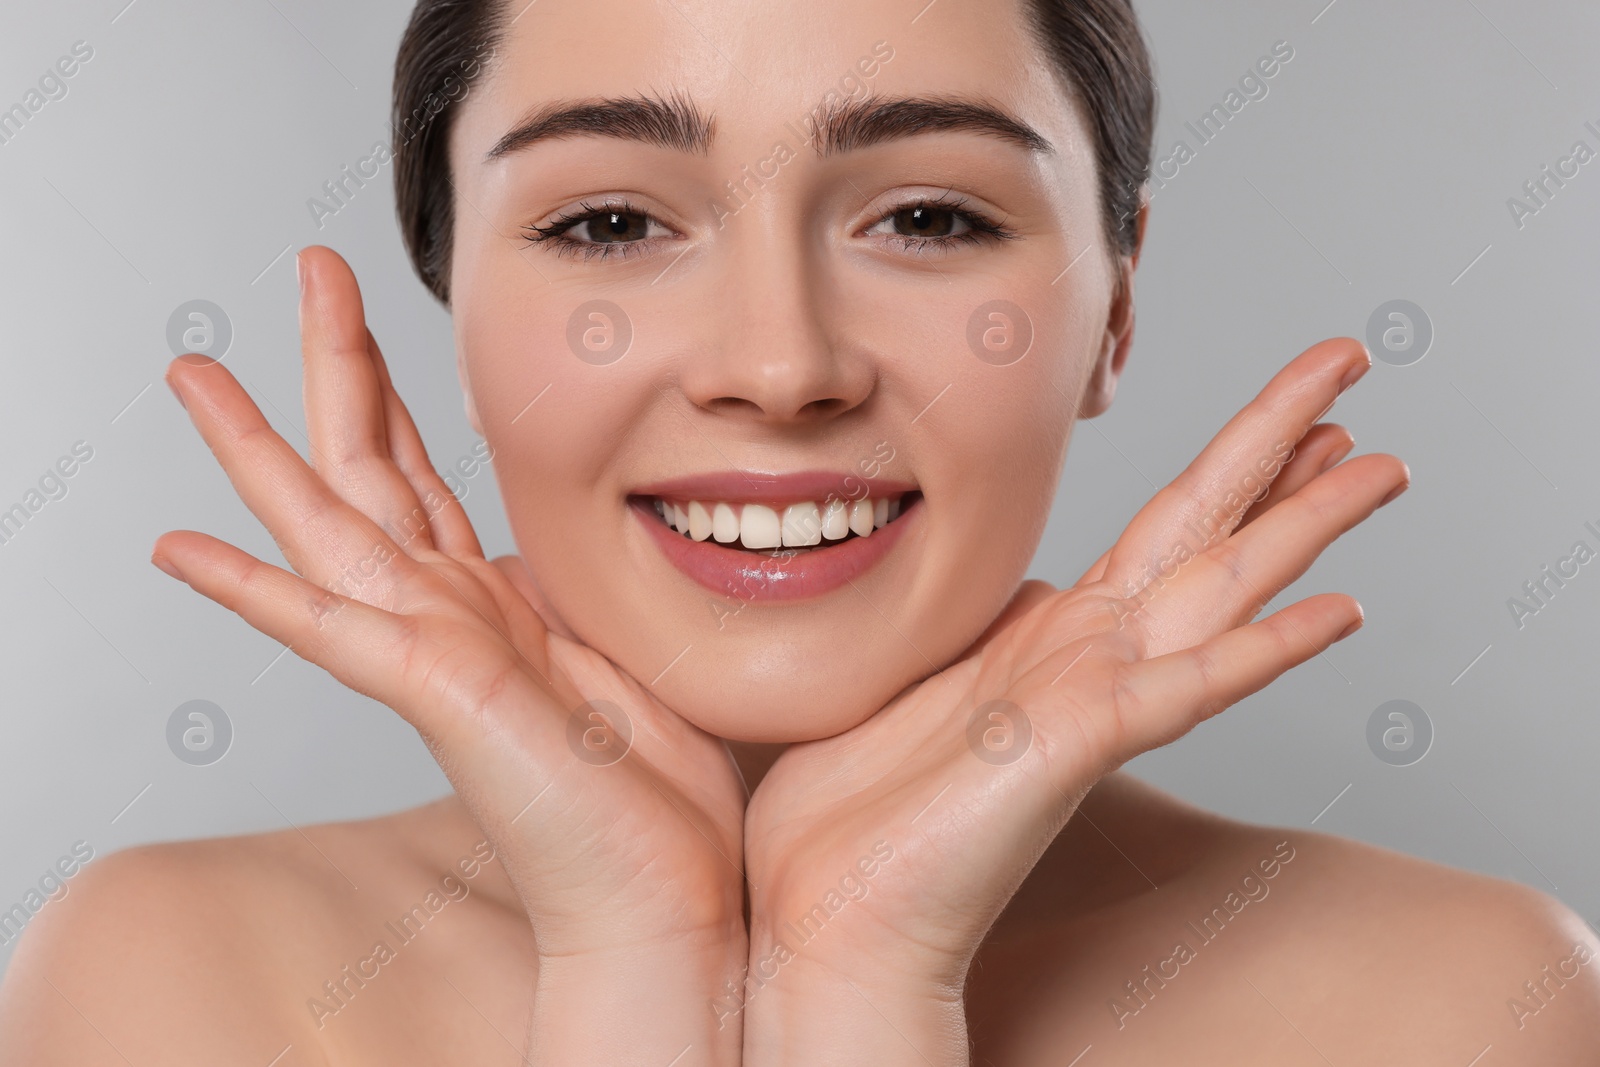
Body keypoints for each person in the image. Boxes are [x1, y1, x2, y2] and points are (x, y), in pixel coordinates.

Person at [3, 0, 1595, 1062]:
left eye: (930, 217)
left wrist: (861, 987)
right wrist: (637, 955)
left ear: (1114, 311)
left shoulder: (1467, 1004)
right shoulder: (171, 988)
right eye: (611, 224)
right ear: (456, 311)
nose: (780, 367)